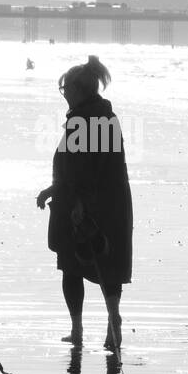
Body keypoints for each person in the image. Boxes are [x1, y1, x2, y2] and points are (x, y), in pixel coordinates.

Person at [36, 56, 133, 354]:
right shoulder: (107, 117)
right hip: (115, 203)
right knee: (110, 264)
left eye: (66, 88)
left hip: (81, 204)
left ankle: (77, 329)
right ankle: (112, 322)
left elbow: (80, 170)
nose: (64, 93)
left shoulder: (81, 120)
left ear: (80, 89)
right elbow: (98, 165)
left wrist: (73, 200)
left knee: (71, 266)